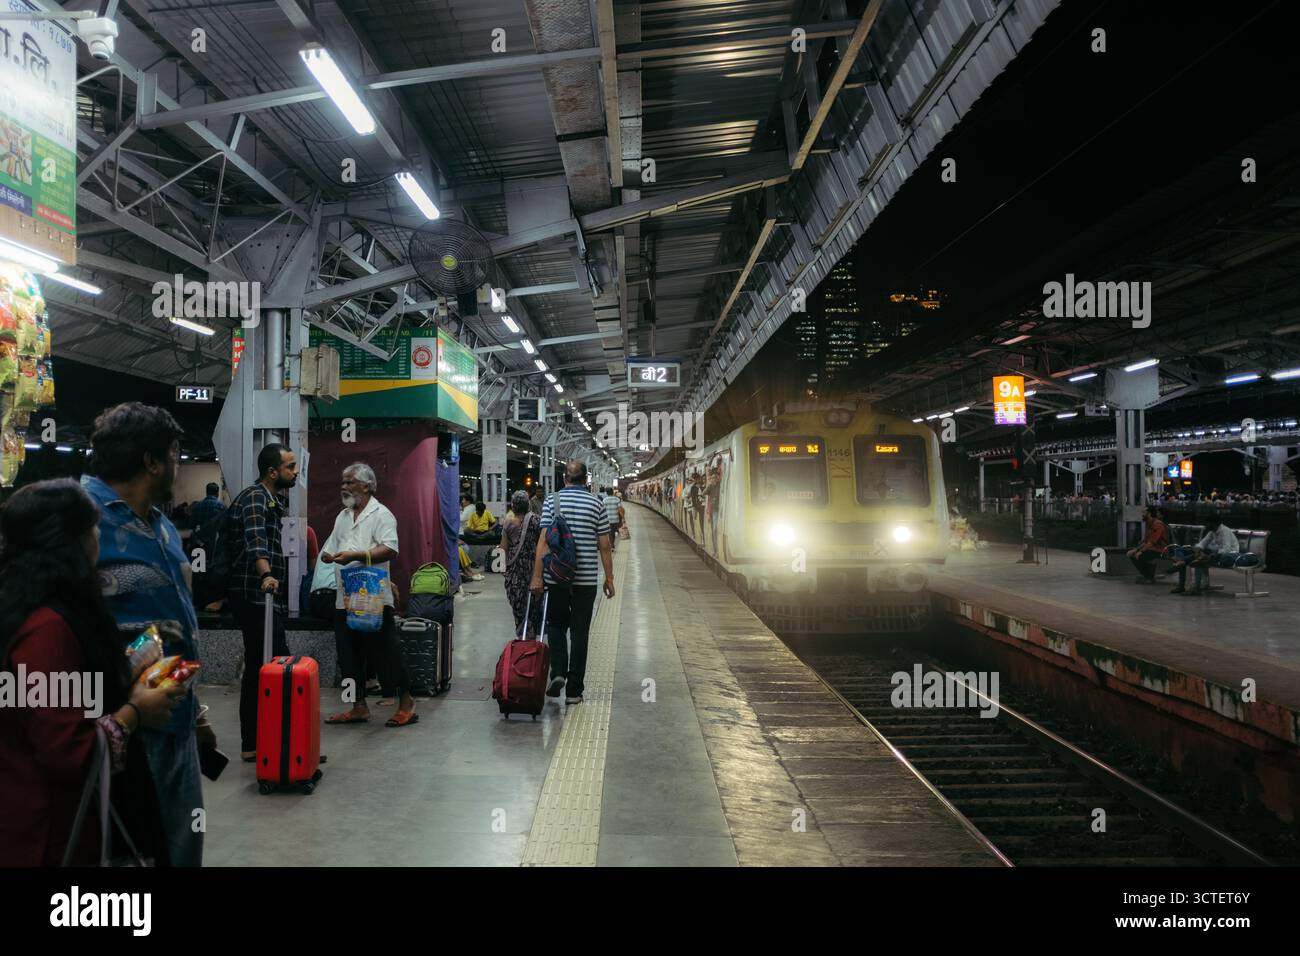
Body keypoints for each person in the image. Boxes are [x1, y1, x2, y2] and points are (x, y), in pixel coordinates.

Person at [0, 480, 183, 866]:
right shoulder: (46, 629)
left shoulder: (24, 609)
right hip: (48, 836)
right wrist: (136, 711)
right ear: (71, 542)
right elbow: (70, 753)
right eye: (93, 527)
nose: (99, 538)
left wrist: (126, 668)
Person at [81, 402, 209, 867]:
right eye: (175, 454)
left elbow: (170, 627)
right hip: (122, 728)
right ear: (152, 461)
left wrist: (195, 716)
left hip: (173, 716)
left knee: (181, 847)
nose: (178, 465)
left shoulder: (160, 525)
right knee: (131, 854)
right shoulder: (80, 518)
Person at [321, 463, 417, 727]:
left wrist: (357, 556)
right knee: (348, 655)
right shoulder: (342, 517)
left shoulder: (381, 515)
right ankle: (358, 706)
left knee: (386, 651)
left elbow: (390, 549)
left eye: (350, 482)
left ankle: (407, 702)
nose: (344, 487)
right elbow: (331, 547)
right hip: (346, 598)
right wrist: (329, 556)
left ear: (366, 485)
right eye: (343, 482)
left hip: (373, 597)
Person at [225, 443, 297, 762]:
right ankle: (275, 742)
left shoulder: (272, 500)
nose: (295, 472)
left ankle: (260, 742)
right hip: (254, 596)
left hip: (263, 599)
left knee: (260, 665)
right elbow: (256, 541)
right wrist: (266, 574)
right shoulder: (256, 497)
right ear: (272, 472)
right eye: (290, 467)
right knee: (276, 665)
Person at [530, 461, 613, 705]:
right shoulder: (596, 502)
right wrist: (609, 578)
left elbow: (543, 542)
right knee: (580, 632)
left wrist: (537, 577)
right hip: (586, 579)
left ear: (564, 478)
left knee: (556, 626)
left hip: (556, 577)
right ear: (586, 479)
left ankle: (558, 673)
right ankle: (574, 691)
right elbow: (605, 545)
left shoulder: (551, 501)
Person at [503, 490, 543, 637]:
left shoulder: (508, 523)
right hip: (534, 570)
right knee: (533, 606)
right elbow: (543, 546)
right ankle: (532, 636)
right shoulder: (537, 520)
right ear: (528, 505)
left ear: (513, 506)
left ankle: (523, 637)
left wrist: (504, 571)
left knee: (519, 607)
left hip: (515, 573)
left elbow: (503, 549)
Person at [1169, 516, 1240, 595]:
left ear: (1214, 524)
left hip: (1230, 556)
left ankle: (1193, 585)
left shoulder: (1224, 531)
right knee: (1197, 556)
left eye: (1208, 523)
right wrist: (1198, 549)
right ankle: (1182, 567)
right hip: (1219, 555)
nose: (1206, 525)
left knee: (1198, 561)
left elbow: (1226, 549)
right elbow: (1203, 543)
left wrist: (1210, 555)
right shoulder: (1212, 531)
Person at [1126, 506, 1169, 585]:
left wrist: (1140, 551)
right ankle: (1148, 576)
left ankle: (1149, 577)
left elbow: (1152, 542)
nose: (1142, 514)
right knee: (1132, 555)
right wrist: (1135, 550)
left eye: (1144, 512)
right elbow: (1145, 541)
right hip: (1152, 548)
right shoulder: (1149, 524)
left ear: (1149, 514)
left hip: (1161, 549)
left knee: (1140, 556)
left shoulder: (1158, 525)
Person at [601, 486, 623, 552]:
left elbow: (603, 510)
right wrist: (623, 518)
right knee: (613, 533)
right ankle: (612, 545)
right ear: (612, 492)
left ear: (607, 493)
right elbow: (620, 510)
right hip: (615, 519)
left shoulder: (604, 500)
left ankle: (611, 546)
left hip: (607, 520)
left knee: (610, 533)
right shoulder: (617, 499)